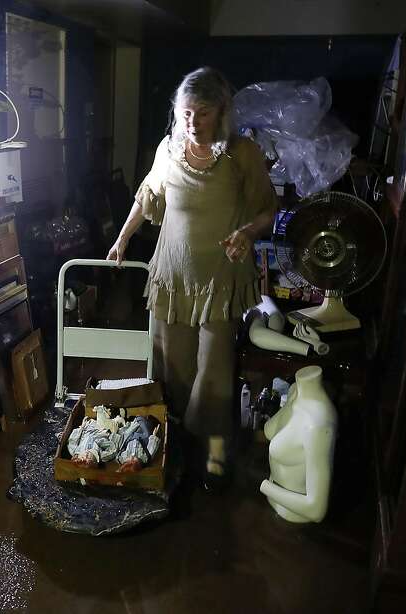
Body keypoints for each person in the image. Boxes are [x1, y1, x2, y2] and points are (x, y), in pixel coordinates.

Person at [106, 66, 279, 490]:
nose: (192, 123)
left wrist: (247, 232)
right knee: (173, 365)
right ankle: (175, 443)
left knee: (215, 369)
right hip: (173, 274)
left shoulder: (242, 153)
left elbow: (267, 209)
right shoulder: (168, 149)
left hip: (221, 278)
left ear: (221, 112)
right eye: (186, 113)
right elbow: (147, 196)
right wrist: (122, 239)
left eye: (202, 113)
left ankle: (214, 451)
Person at [260, 366, 336, 522]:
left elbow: (316, 510)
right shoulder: (294, 391)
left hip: (294, 518)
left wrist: (266, 487)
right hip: (271, 506)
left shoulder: (319, 424)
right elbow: (269, 430)